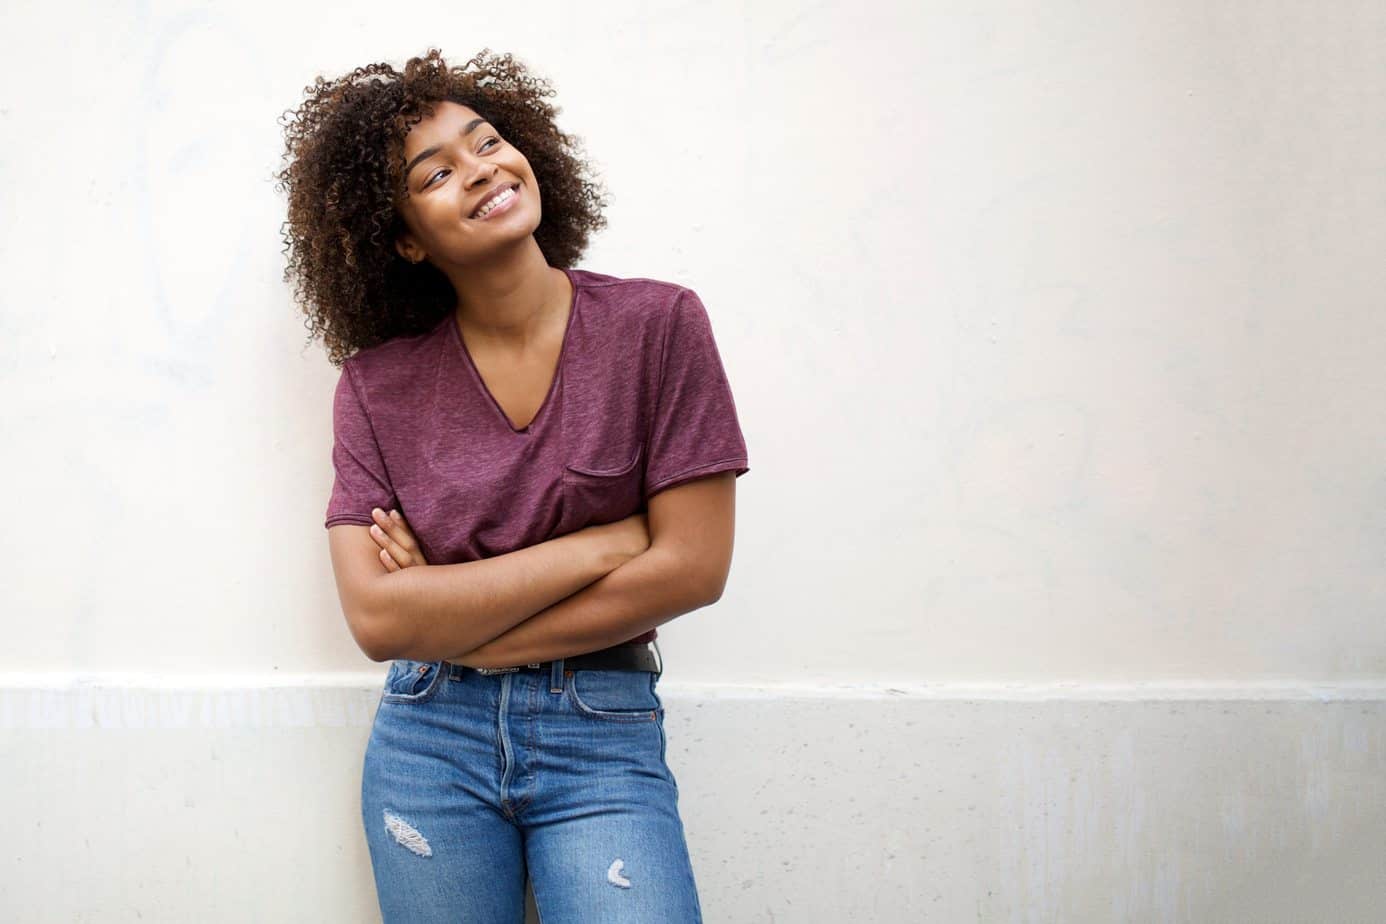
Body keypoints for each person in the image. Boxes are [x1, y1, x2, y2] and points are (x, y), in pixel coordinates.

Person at [275, 48, 749, 922]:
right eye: (438, 171)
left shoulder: (658, 326)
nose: (483, 167)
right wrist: (606, 543)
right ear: (405, 238)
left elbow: (693, 568)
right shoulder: (377, 389)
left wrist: (464, 620)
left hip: (600, 728)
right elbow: (381, 619)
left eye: (487, 140)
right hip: (428, 736)